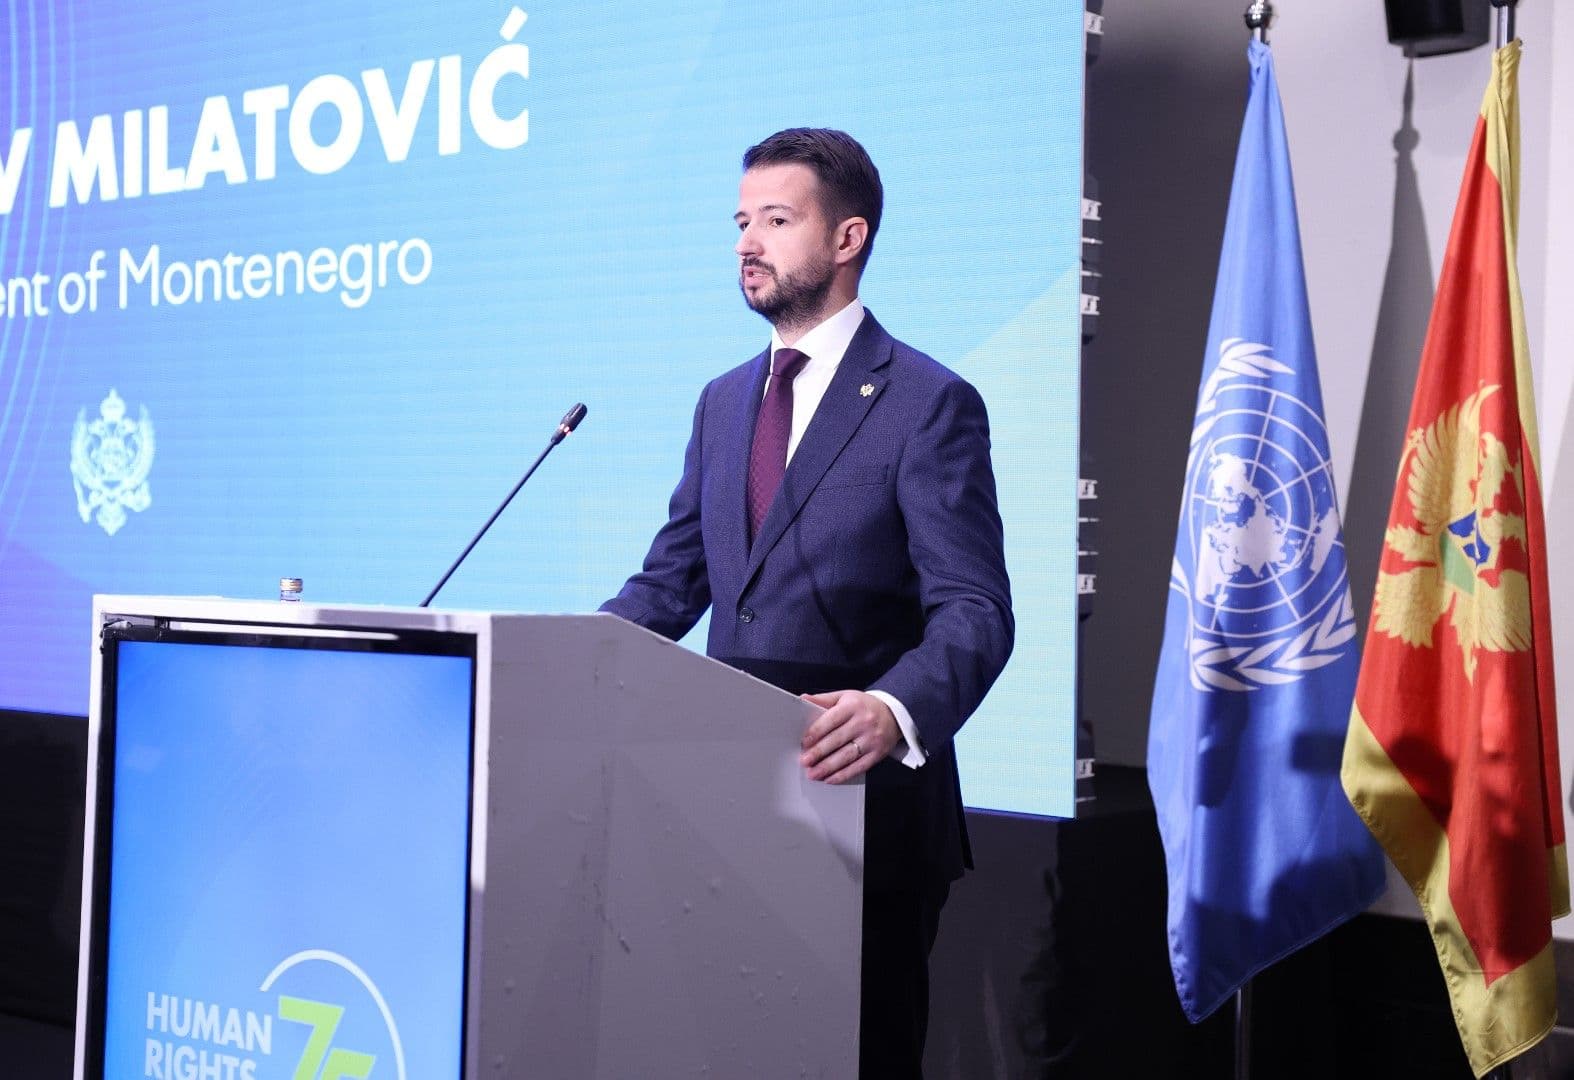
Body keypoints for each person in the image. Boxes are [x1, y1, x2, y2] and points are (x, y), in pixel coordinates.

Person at [601, 127, 1013, 1077]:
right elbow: (673, 581)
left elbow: (975, 608)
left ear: (847, 237)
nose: (746, 242)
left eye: (776, 221)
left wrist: (895, 708)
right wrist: (568, 654)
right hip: (725, 804)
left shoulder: (927, 402)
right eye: (741, 221)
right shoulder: (722, 401)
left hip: (862, 810)